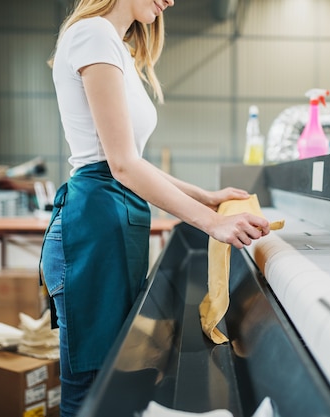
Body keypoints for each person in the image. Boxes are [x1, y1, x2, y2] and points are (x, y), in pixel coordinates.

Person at [41, 0, 271, 415]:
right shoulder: (92, 35)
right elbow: (122, 166)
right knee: (92, 389)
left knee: (108, 378)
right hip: (93, 225)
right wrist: (211, 223)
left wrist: (207, 197)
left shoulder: (117, 46)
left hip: (115, 219)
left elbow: (134, 161)